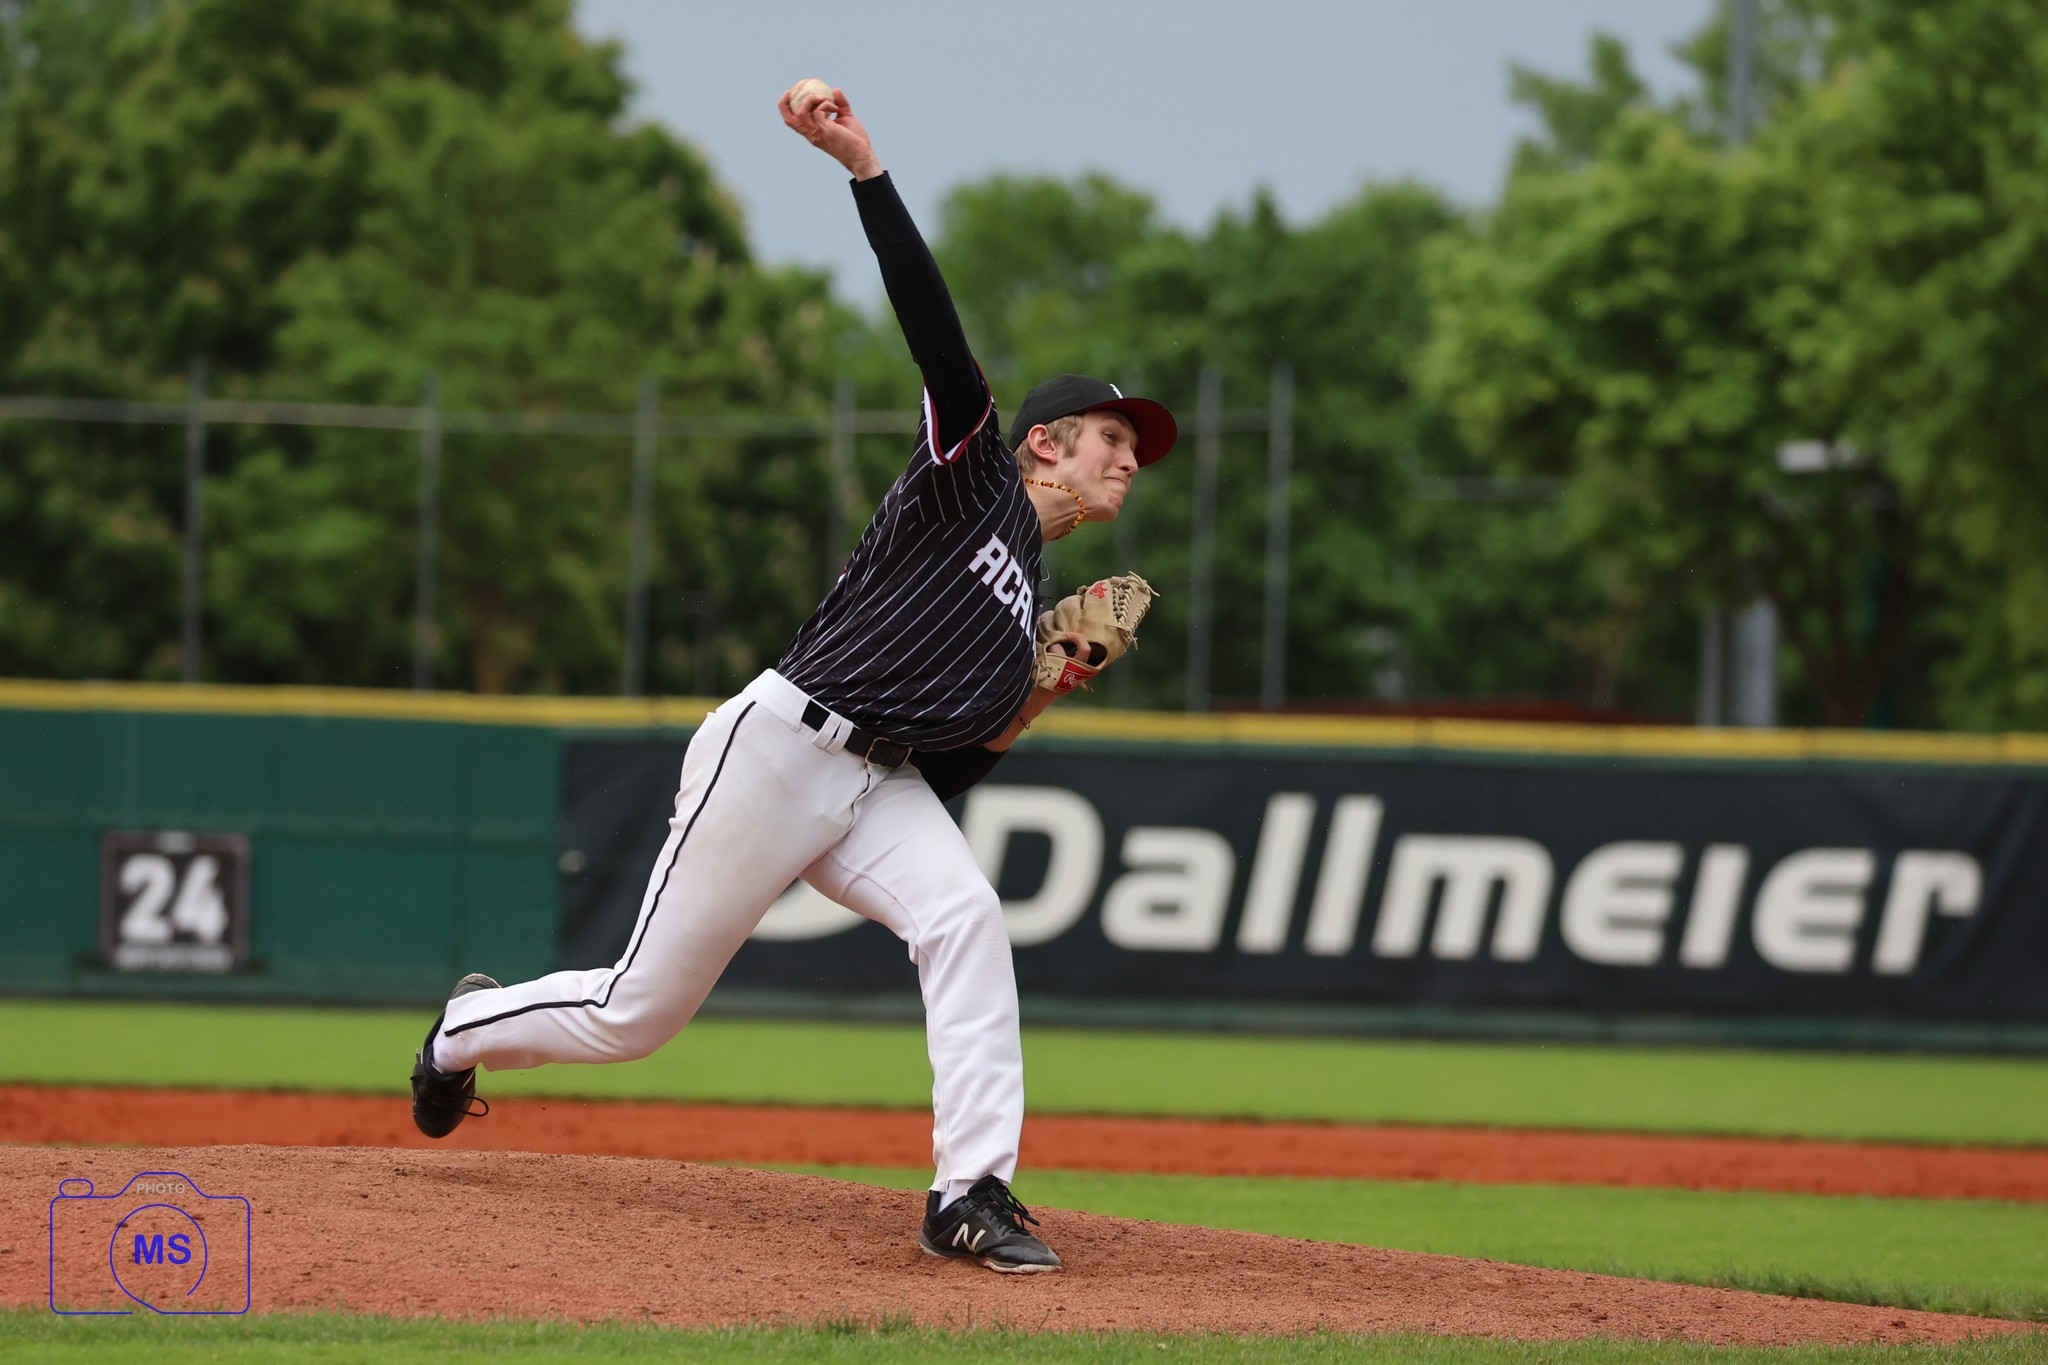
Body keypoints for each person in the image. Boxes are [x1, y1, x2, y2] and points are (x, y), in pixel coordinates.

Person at [407, 82, 1177, 1275]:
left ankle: (968, 1195)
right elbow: (934, 331)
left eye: (1134, 453)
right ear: (1042, 442)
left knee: (966, 916)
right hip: (777, 749)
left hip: (875, 783)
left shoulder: (1026, 598)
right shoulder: (969, 477)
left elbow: (954, 769)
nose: (1126, 461)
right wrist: (864, 170)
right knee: (634, 1017)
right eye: (1109, 440)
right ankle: (462, 1030)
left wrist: (1035, 694)